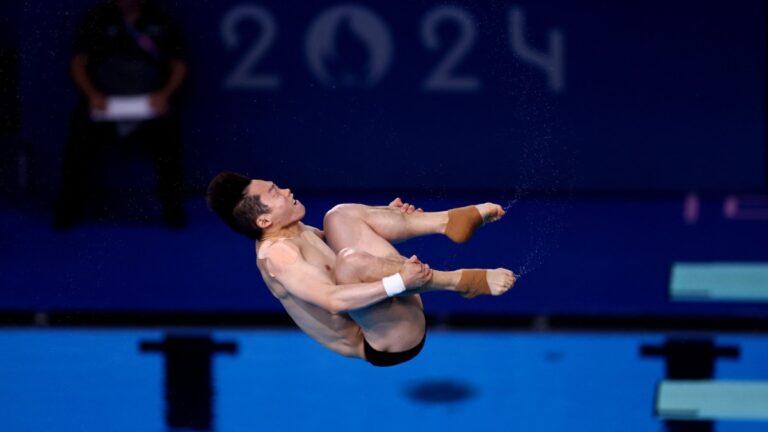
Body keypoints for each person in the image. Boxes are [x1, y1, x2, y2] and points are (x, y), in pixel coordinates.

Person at [207, 172, 516, 366]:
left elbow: (347, 247)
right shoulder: (278, 256)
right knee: (352, 261)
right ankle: (459, 281)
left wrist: (388, 217)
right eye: (275, 192)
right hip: (386, 339)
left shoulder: (297, 230)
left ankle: (447, 221)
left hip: (389, 301)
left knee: (339, 215)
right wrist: (398, 281)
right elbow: (333, 300)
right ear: (263, 221)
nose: (286, 190)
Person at [55, 0, 187, 228]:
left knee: (168, 144)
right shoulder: (97, 19)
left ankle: (173, 210)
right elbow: (78, 64)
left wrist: (165, 95)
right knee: (78, 145)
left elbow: (178, 65)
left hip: (149, 105)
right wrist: (93, 95)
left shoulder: (161, 21)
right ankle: (69, 210)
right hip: (104, 104)